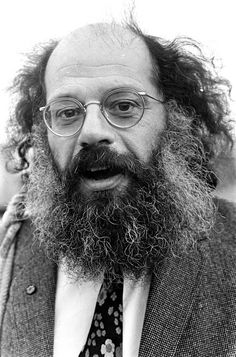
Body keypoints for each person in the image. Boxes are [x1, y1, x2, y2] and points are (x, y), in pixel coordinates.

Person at [0, 20, 235, 357]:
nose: (92, 132)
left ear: (176, 118)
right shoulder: (10, 248)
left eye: (123, 106)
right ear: (42, 134)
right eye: (67, 112)